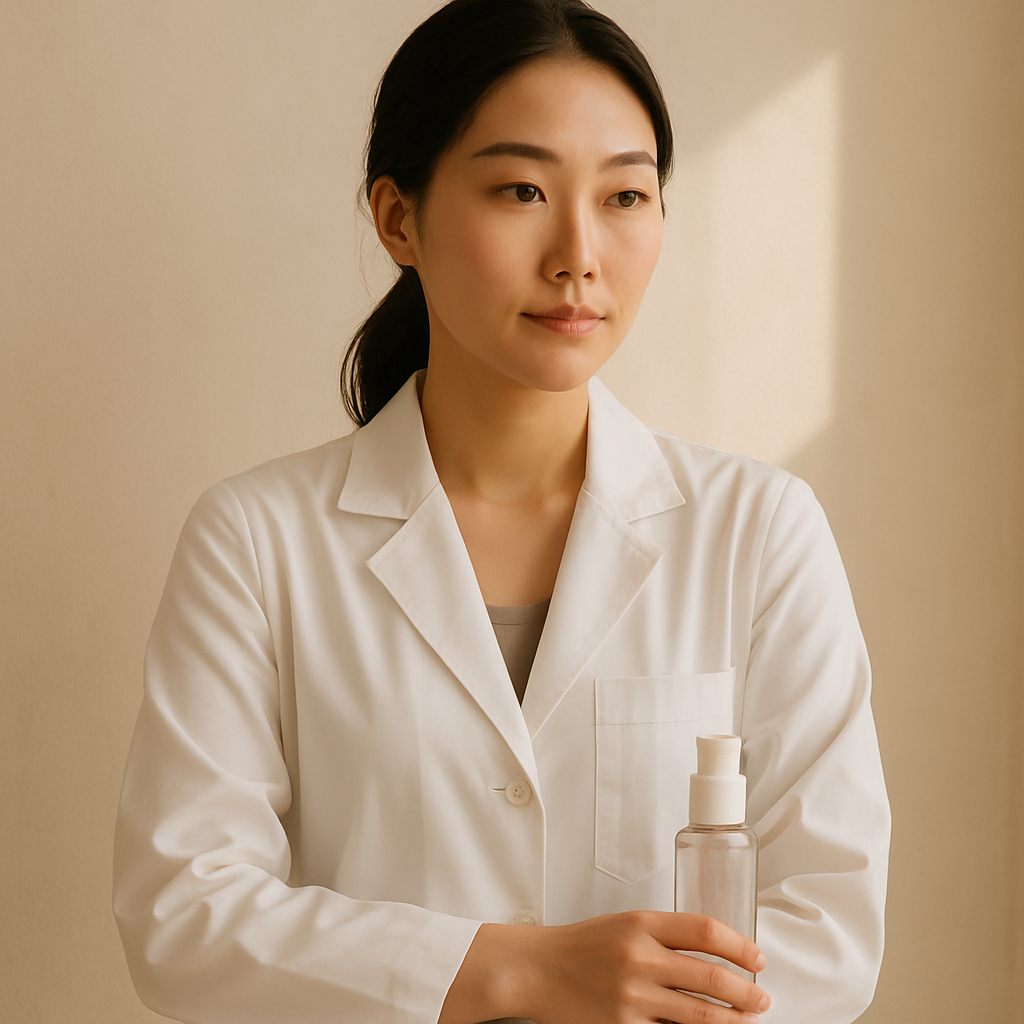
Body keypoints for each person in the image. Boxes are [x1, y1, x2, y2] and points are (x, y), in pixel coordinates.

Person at [113, 1, 890, 1022]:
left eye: (624, 195)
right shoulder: (257, 541)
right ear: (398, 217)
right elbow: (185, 915)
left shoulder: (759, 530)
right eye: (521, 189)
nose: (578, 253)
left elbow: (827, 927)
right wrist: (511, 969)